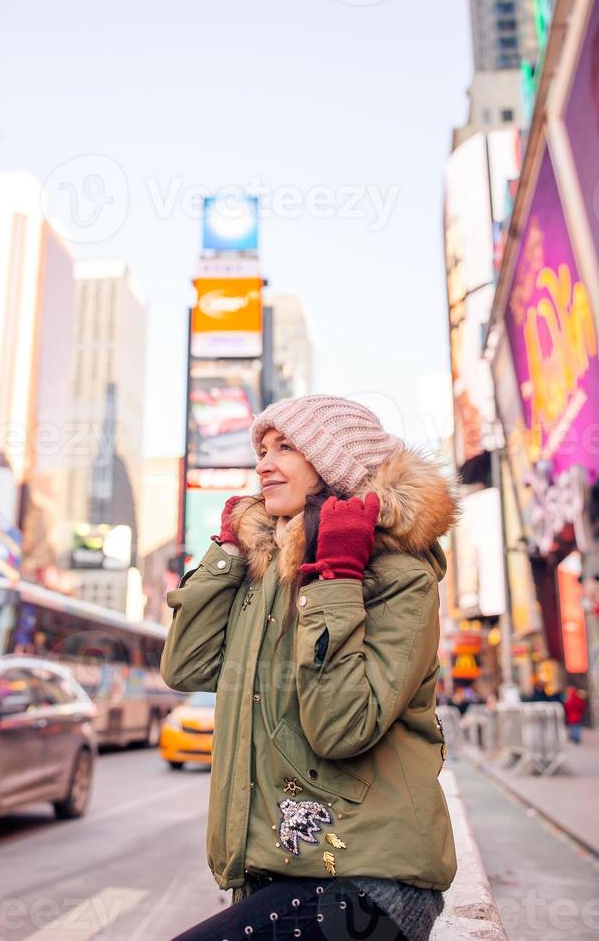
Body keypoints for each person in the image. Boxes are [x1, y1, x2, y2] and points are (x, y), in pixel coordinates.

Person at [161, 395, 459, 940]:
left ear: (334, 465)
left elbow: (342, 726)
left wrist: (336, 577)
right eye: (262, 450)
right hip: (277, 869)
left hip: (370, 877)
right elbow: (186, 666)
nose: (263, 465)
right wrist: (228, 551)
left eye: (286, 448)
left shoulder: (397, 573)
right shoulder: (266, 567)